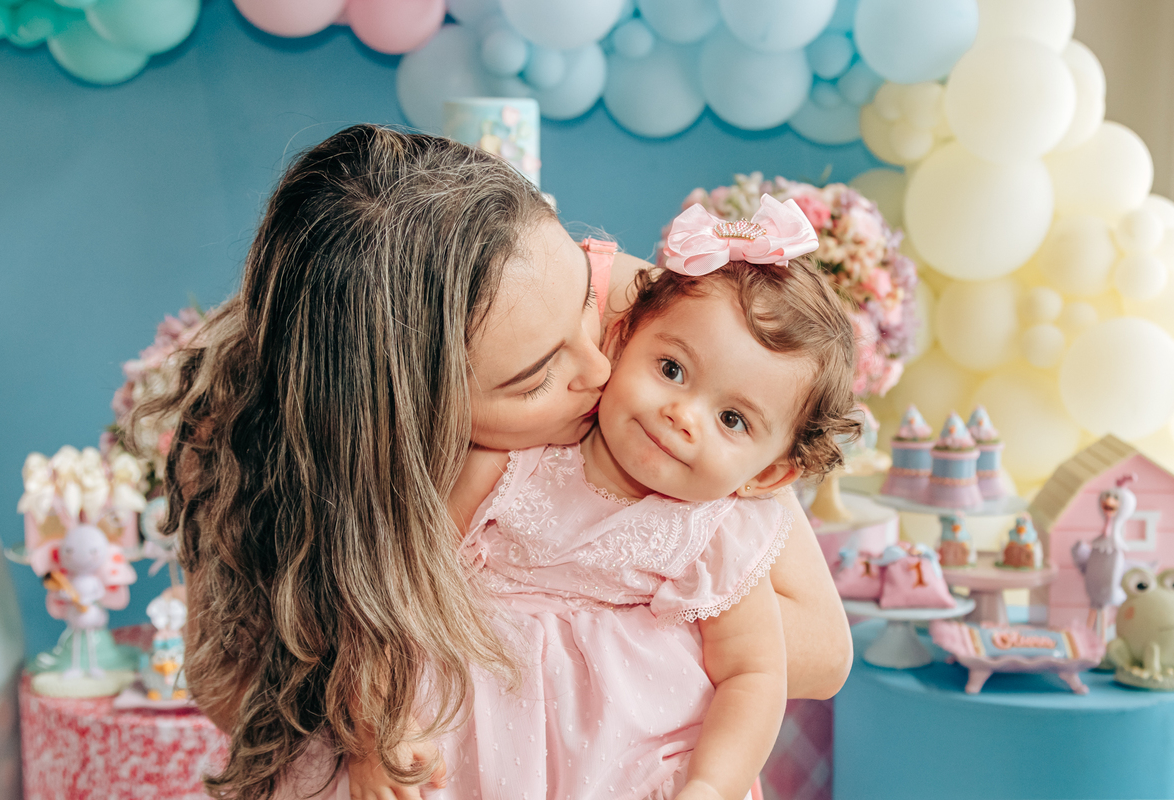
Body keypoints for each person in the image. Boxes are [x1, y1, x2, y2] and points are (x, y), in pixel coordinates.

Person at [139, 125, 852, 800]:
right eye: (536, 376)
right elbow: (250, 686)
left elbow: (816, 654)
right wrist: (379, 720)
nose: (604, 364)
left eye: (585, 306)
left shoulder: (681, 330)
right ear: (417, 428)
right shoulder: (244, 445)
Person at [348, 194, 857, 800]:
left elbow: (753, 674)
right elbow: (399, 590)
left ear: (767, 477)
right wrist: (374, 727)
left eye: (731, 419)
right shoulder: (512, 461)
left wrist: (711, 786)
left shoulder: (716, 536)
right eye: (671, 369)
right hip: (463, 755)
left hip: (623, 772)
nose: (682, 415)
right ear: (619, 340)